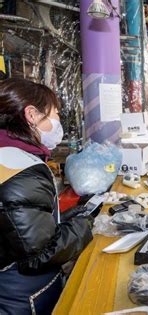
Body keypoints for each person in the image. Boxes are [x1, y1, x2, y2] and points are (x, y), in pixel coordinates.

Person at [0, 78, 93, 314]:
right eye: (55, 113)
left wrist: (68, 216)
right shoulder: (20, 169)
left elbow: (20, 224)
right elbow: (40, 254)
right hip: (21, 298)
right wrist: (85, 226)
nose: (58, 121)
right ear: (31, 115)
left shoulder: (8, 155)